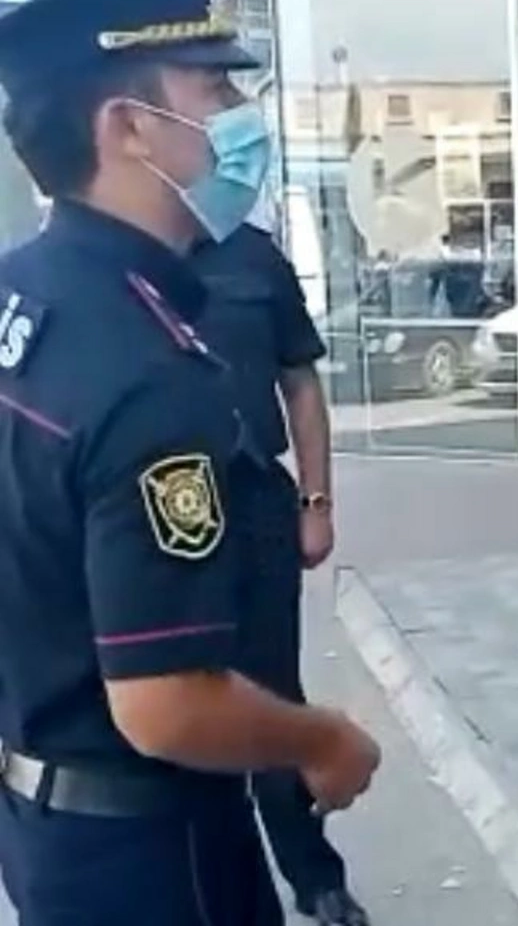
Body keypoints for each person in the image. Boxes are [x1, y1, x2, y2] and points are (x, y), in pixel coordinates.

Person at [0, 0, 380, 925]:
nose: (239, 117)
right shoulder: (146, 369)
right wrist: (321, 737)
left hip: (43, 820)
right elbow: (164, 702)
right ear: (128, 126)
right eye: (214, 89)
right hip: (151, 852)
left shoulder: (22, 292)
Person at [192, 219, 369, 925]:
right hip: (154, 510)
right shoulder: (121, 255)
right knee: (181, 692)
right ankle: (209, 873)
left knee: (272, 691)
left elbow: (299, 382)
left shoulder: (253, 254)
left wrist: (315, 501)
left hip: (255, 501)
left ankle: (315, 876)